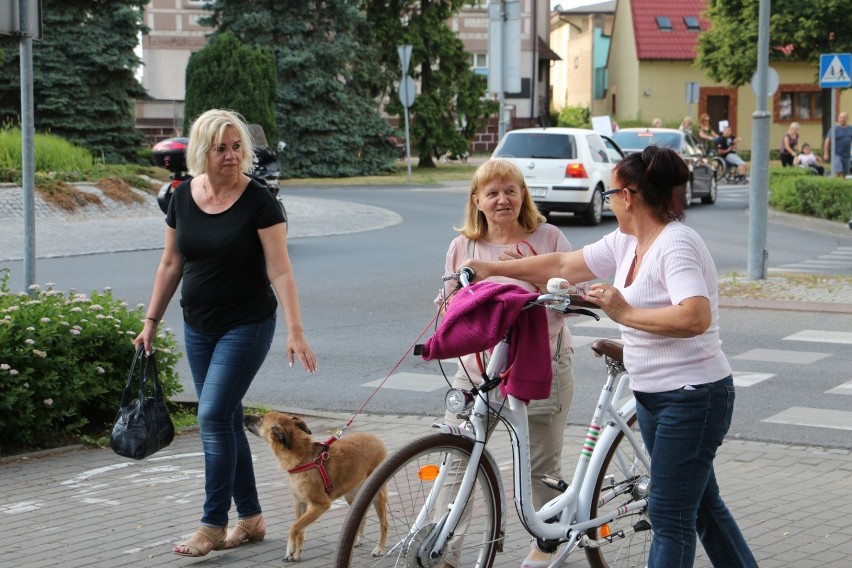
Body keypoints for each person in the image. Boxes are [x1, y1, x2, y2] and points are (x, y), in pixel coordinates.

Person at [462, 146, 759, 568]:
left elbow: (695, 316)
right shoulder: (627, 241)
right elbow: (566, 261)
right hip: (654, 393)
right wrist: (494, 270)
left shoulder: (675, 244)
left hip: (693, 395)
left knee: (669, 516)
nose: (610, 200)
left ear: (630, 197)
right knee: (704, 506)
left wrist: (624, 312)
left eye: (612, 193)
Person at [134, 109, 318, 558]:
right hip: (198, 325)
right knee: (226, 417)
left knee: (212, 416)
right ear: (202, 151)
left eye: (238, 148)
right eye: (222, 149)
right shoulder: (181, 196)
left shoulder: (259, 201)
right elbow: (171, 264)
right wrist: (150, 322)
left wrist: (295, 330)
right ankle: (251, 519)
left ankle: (212, 524)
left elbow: (280, 269)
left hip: (248, 323)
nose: (233, 156)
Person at [436, 159, 575, 568]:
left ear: (523, 196)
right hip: (475, 372)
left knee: (540, 465)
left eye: (511, 190)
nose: (503, 199)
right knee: (457, 458)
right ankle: (446, 550)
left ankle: (546, 544)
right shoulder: (464, 245)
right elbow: (448, 303)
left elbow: (574, 295)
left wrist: (536, 278)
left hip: (541, 365)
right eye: (492, 192)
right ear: (477, 200)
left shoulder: (548, 237)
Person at [823, 111, 852, 178]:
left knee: (845, 173)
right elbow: (827, 141)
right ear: (838, 118)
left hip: (846, 155)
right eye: (840, 118)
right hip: (836, 154)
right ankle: (837, 185)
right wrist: (826, 153)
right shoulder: (834, 129)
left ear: (847, 119)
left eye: (844, 118)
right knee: (838, 171)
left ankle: (841, 186)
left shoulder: (850, 129)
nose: (842, 119)